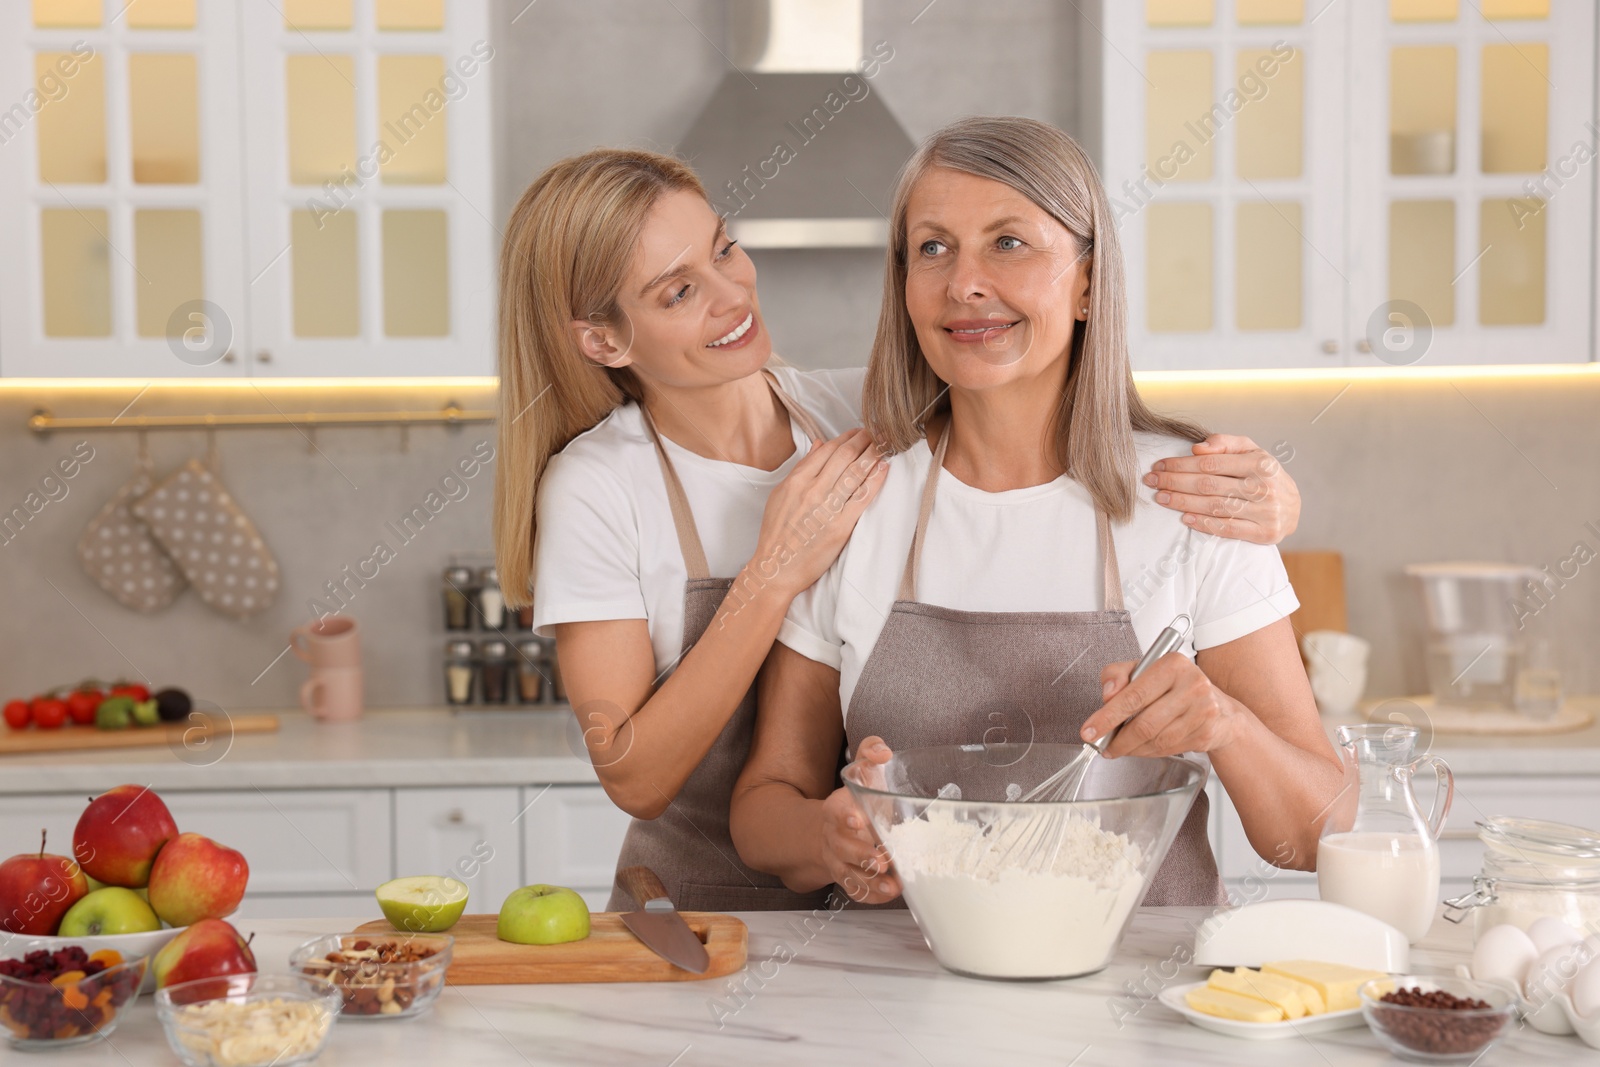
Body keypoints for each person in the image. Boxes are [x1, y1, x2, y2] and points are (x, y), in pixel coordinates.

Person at [493, 147, 1308, 912]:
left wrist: (1268, 507)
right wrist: (774, 574)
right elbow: (636, 776)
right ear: (602, 338)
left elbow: (1004, 386)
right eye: (677, 292)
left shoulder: (852, 427)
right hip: (706, 903)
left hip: (866, 914)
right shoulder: (602, 486)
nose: (732, 294)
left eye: (725, 249)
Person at [729, 117, 1343, 907]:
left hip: (1139, 1004)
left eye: (1008, 243)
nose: (964, 283)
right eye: (933, 248)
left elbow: (1317, 835)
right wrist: (826, 836)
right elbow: (763, 805)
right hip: (896, 1004)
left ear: (1088, 283)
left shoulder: (1194, 500)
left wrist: (1225, 724)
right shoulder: (855, 499)